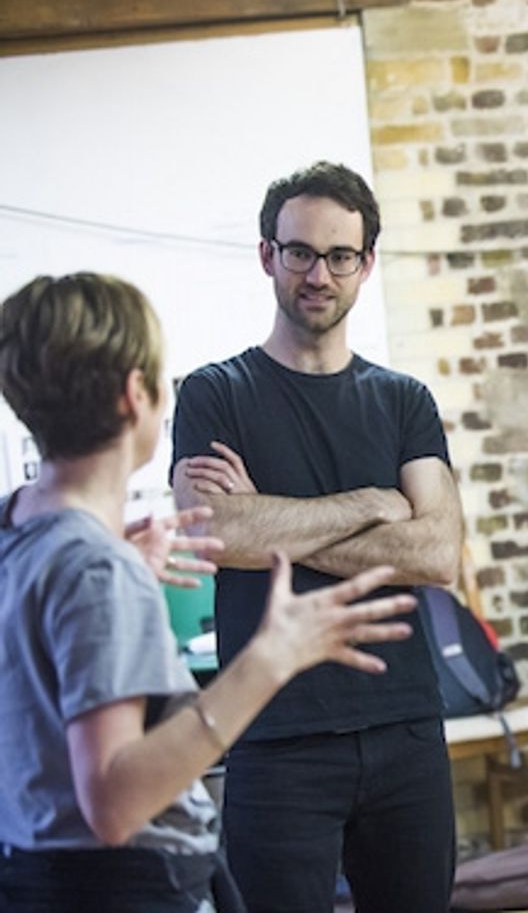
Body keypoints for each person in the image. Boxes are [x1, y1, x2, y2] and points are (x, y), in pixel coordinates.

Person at [0, 272, 417, 912]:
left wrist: (115, 576)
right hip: (116, 890)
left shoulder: (21, 529)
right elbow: (114, 804)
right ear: (135, 394)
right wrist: (270, 659)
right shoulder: (92, 567)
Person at [170, 162, 465, 913]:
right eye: (299, 251)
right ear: (268, 255)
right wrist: (372, 503)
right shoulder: (215, 394)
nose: (318, 274)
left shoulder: (405, 402)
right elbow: (212, 531)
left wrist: (267, 521)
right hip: (273, 733)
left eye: (340, 256)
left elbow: (436, 555)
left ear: (366, 264)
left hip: (404, 728)